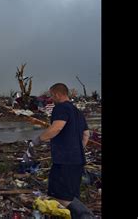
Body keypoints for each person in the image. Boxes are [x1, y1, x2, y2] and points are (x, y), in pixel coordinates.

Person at [28, 83, 94, 218]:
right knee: (72, 193)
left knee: (57, 192)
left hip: (65, 160)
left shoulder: (61, 108)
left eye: (52, 95)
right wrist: (77, 149)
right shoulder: (77, 111)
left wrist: (38, 140)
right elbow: (86, 134)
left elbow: (57, 128)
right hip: (78, 160)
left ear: (58, 94)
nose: (51, 98)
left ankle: (86, 215)